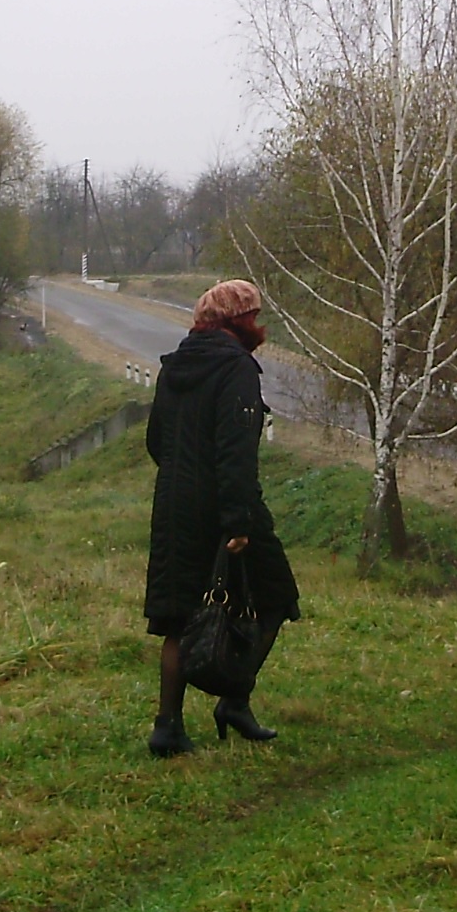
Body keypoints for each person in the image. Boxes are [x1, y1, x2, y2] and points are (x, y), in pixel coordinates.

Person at [141, 278, 300, 756]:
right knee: (275, 597)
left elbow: (156, 440)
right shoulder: (237, 369)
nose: (258, 323)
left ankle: (167, 727)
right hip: (228, 506)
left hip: (172, 506)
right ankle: (234, 698)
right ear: (237, 320)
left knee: (177, 616)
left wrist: (179, 479)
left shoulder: (175, 367)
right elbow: (235, 452)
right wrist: (238, 521)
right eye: (252, 315)